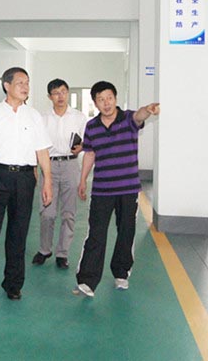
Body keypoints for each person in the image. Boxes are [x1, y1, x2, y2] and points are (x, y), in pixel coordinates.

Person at [0, 67, 53, 307]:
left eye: (27, 82)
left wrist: (47, 180)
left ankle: (13, 285)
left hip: (25, 179)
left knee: (18, 234)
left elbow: (42, 151)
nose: (25, 87)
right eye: (20, 82)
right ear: (7, 86)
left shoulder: (34, 116)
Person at [73, 81, 159, 298]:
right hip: (102, 190)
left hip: (128, 189)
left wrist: (148, 110)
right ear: (95, 103)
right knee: (96, 234)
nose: (106, 103)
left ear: (115, 98)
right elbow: (89, 154)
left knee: (126, 231)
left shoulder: (128, 119)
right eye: (101, 99)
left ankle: (121, 273)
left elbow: (139, 116)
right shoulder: (92, 126)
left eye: (109, 98)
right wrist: (82, 180)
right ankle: (87, 281)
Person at [32, 79, 87, 269]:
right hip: (49, 166)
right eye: (56, 93)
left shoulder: (79, 117)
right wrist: (35, 169)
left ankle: (62, 253)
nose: (60, 96)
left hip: (71, 166)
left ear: (68, 93)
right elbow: (36, 146)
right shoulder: (42, 118)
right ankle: (44, 249)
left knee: (68, 213)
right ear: (50, 97)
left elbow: (86, 142)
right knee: (47, 212)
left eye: (63, 92)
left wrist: (81, 147)